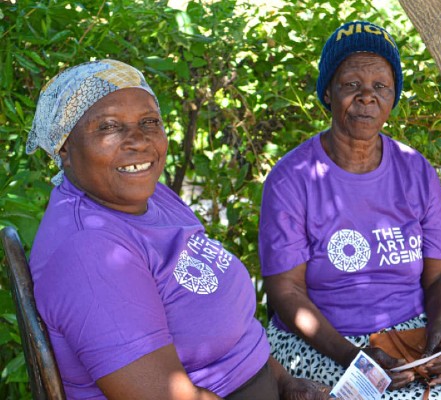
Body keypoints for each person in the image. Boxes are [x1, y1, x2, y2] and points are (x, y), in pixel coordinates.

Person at [26, 59, 334, 400]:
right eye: (109, 126)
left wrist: (286, 382)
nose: (138, 141)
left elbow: (237, 330)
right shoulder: (89, 251)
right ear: (65, 147)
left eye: (149, 122)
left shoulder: (153, 197)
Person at [258, 20, 441, 399]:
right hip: (325, 341)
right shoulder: (292, 179)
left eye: (380, 87)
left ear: (393, 96)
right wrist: (354, 357)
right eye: (352, 84)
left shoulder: (414, 170)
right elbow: (286, 293)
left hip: (412, 332)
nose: (366, 97)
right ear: (328, 92)